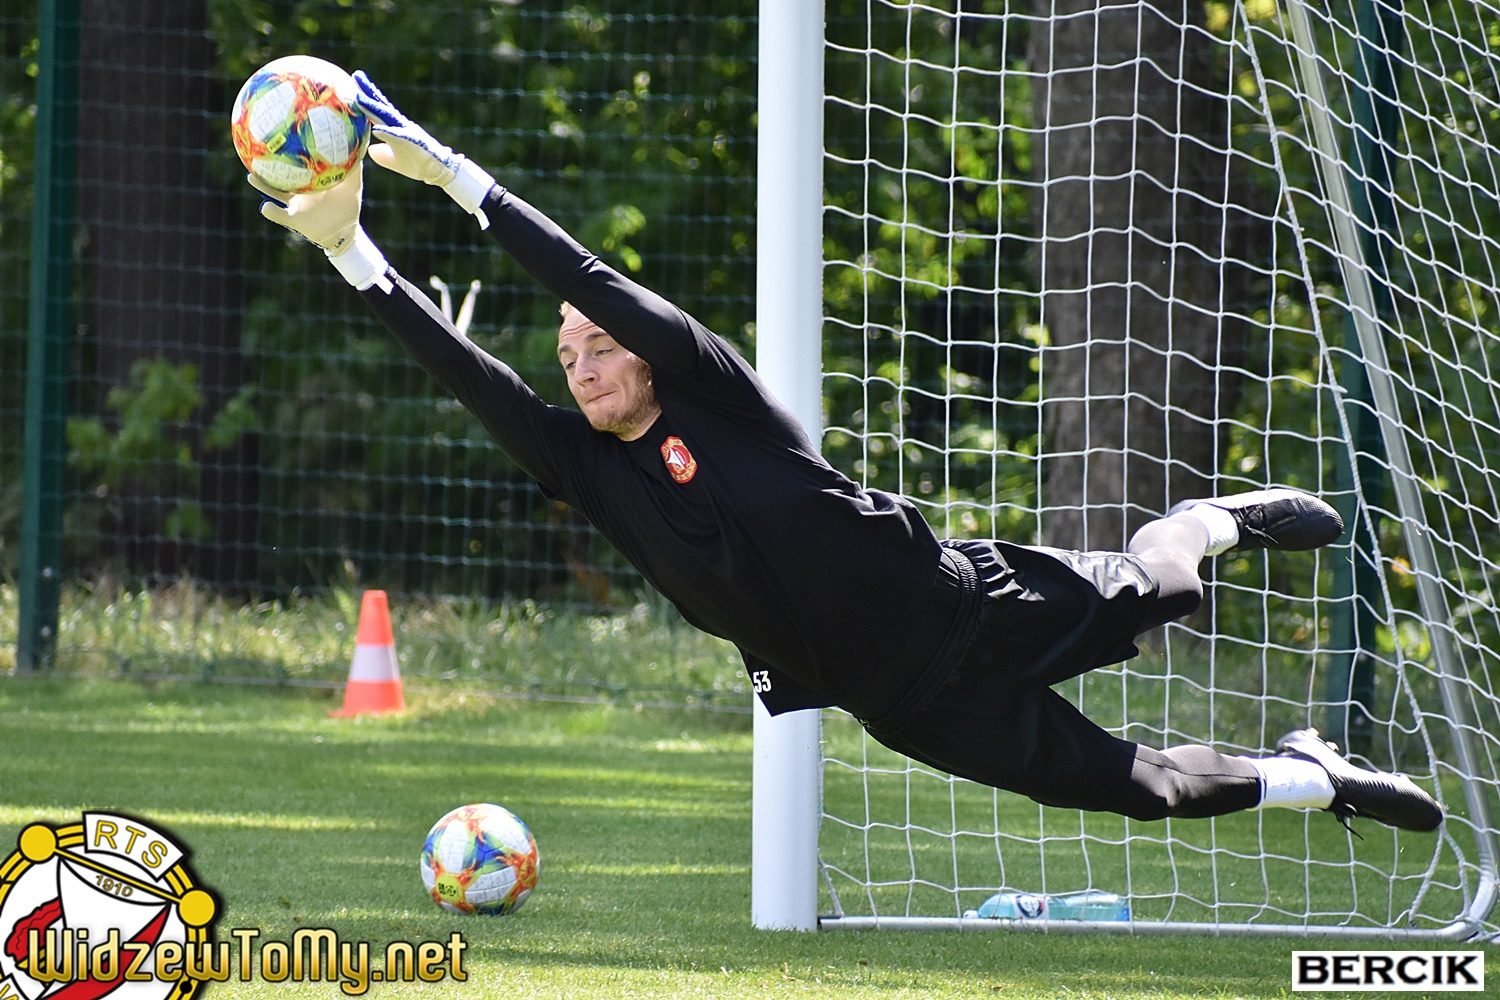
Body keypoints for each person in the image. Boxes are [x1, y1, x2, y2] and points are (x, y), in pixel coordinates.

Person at [248, 72, 1442, 835]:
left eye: (599, 344)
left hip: (966, 603)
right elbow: (471, 376)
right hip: (908, 705)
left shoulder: (714, 395)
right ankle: (1318, 775)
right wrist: (352, 249)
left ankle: (1211, 519)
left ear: (650, 356)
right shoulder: (590, 472)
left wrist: (455, 177)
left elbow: (589, 274)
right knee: (1147, 789)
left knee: (1170, 586)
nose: (582, 361)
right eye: (568, 355)